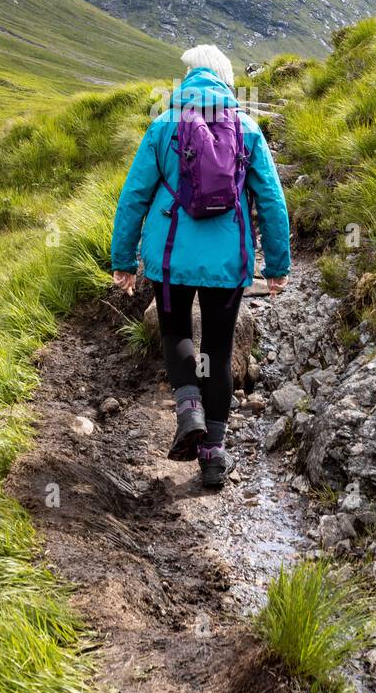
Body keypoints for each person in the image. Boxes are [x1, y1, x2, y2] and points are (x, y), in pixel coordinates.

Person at [111, 44, 291, 488]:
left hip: (171, 258)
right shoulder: (247, 128)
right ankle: (213, 456)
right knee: (218, 348)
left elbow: (134, 196)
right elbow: (271, 200)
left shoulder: (162, 125)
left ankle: (188, 408)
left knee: (175, 332)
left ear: (189, 78)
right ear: (227, 80)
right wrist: (277, 265)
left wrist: (123, 260)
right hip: (228, 262)